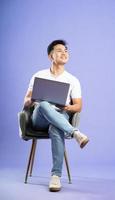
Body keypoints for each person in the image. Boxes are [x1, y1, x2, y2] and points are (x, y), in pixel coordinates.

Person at [23, 39, 89, 192]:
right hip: (39, 116)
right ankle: (75, 133)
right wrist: (32, 99)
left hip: (61, 115)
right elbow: (25, 101)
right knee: (45, 104)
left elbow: (78, 106)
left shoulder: (73, 80)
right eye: (59, 50)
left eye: (66, 50)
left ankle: (55, 177)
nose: (64, 52)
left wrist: (66, 106)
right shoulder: (39, 75)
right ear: (50, 56)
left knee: (56, 127)